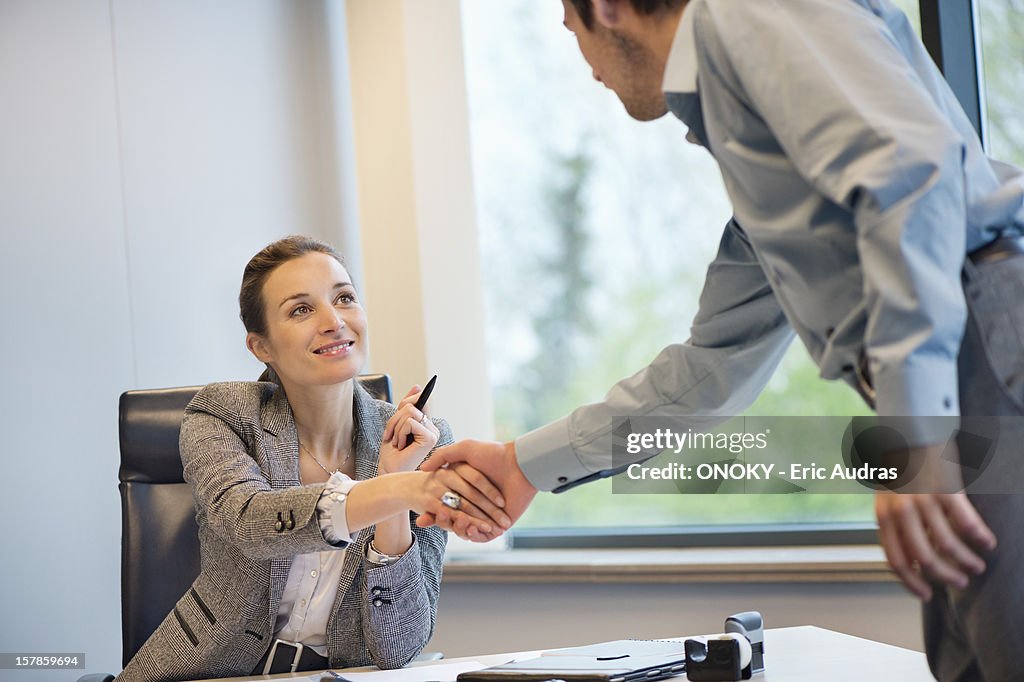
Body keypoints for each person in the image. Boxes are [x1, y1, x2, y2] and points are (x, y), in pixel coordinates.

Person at [421, 1, 1024, 679]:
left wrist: (913, 422)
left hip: (981, 345)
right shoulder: (757, 144)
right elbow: (709, 370)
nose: (587, 68)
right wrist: (522, 464)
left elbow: (911, 175)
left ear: (609, 9)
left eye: (572, 31)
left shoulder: (749, 12)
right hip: (949, 364)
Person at [118, 236, 508, 682]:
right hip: (210, 673)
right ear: (261, 347)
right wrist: (396, 489)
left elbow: (398, 645)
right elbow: (251, 524)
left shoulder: (424, 445)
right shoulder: (223, 414)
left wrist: (396, 484)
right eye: (301, 309)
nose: (333, 321)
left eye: (344, 298)